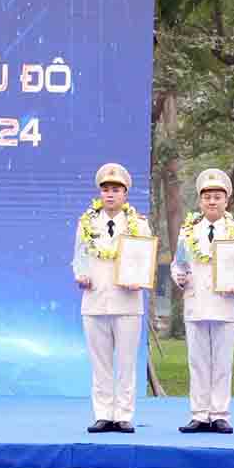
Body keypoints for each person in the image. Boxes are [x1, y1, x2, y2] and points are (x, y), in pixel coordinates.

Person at [73, 162, 152, 433]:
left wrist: (139, 278)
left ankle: (124, 414)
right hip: (95, 300)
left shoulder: (139, 224)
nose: (110, 194)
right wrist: (80, 275)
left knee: (127, 362)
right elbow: (79, 257)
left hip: (127, 301)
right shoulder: (87, 222)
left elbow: (144, 260)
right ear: (100, 193)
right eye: (105, 189)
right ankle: (103, 413)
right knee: (101, 362)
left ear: (125, 193)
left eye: (116, 189)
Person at [174, 169, 234, 434]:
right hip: (196, 302)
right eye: (207, 197)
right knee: (197, 362)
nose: (212, 202)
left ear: (226, 201)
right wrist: (179, 277)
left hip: (225, 304)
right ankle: (199, 414)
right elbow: (178, 264)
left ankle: (220, 413)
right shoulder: (188, 232)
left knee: (222, 363)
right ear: (200, 201)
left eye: (217, 197)